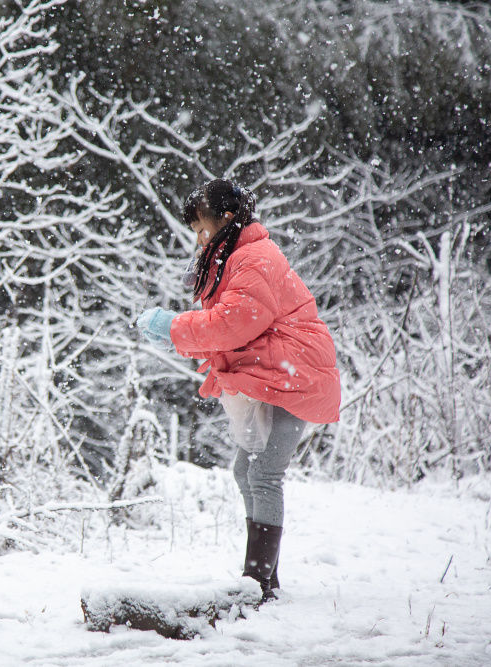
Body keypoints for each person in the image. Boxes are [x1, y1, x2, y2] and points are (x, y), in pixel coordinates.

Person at [136, 178, 341, 603]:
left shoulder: (254, 258)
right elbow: (227, 328)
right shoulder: (236, 257)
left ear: (227, 217)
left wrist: (173, 327)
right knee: (244, 470)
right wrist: (179, 335)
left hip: (293, 376)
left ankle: (259, 583)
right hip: (275, 374)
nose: (198, 237)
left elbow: (232, 325)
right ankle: (262, 580)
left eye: (201, 226)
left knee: (264, 473)